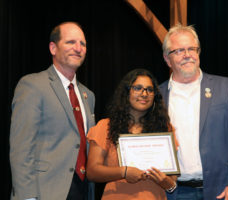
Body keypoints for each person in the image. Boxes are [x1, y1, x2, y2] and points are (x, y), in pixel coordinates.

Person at [159, 24, 228, 200]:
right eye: (180, 50)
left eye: (192, 49)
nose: (187, 55)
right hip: (174, 193)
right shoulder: (156, 96)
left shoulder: (227, 88)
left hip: (222, 191)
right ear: (167, 59)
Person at [10, 22, 95, 200]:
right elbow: (21, 149)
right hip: (44, 192)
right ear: (53, 48)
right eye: (71, 42)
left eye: (83, 43)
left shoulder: (88, 95)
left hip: (83, 192)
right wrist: (28, 197)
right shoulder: (32, 85)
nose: (78, 48)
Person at [86, 68, 178, 200]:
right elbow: (92, 172)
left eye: (149, 90)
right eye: (138, 88)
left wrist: (167, 183)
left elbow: (172, 181)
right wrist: (123, 172)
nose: (144, 93)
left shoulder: (165, 129)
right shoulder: (105, 126)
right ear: (126, 92)